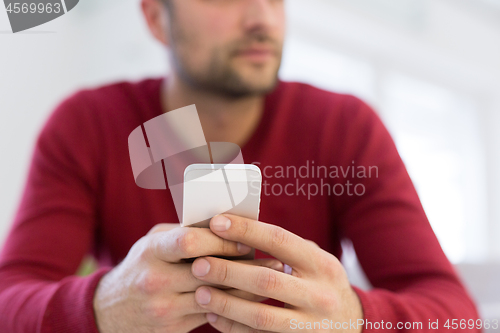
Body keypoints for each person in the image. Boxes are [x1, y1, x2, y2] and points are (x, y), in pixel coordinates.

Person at [0, 0, 480, 332]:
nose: (262, 18)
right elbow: (8, 298)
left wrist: (353, 317)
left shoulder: (345, 126)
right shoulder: (87, 125)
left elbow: (455, 313)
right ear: (156, 18)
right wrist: (100, 309)